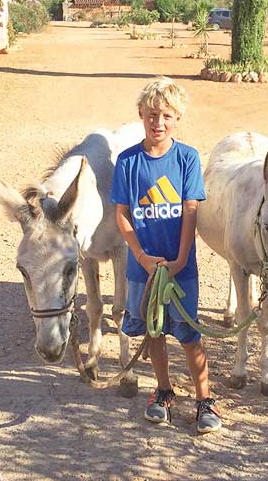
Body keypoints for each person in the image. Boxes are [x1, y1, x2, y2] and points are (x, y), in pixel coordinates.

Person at [111, 77, 222, 433]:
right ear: (141, 115)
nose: (158, 122)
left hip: (180, 267)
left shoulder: (187, 158)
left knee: (189, 334)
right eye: (152, 115)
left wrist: (179, 259)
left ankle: (205, 399)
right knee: (153, 332)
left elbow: (191, 210)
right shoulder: (127, 162)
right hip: (142, 267)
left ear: (177, 118)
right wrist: (143, 257)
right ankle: (163, 391)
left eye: (166, 116)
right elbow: (122, 214)